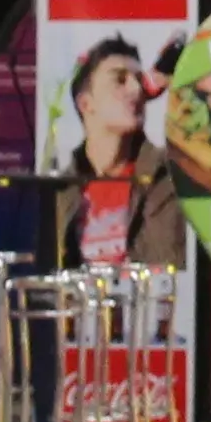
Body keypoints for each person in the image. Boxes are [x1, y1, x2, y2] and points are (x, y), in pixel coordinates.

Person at [47, 33, 182, 270]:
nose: (136, 89)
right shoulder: (61, 189)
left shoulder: (169, 173)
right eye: (119, 80)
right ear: (86, 104)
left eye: (140, 79)